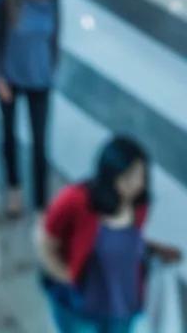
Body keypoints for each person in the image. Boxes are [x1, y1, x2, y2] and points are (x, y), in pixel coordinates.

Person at [37, 136, 182, 333]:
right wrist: (65, 276)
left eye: (141, 176)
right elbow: (46, 240)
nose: (136, 184)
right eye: (128, 177)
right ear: (110, 174)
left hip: (124, 305)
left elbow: (125, 240)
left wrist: (156, 249)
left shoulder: (139, 205)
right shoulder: (76, 200)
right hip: (81, 306)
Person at [0, 0, 61, 217]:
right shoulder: (4, 2)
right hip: (10, 78)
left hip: (40, 79)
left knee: (40, 142)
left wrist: (51, 69)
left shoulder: (52, 0)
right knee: (8, 136)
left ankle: (41, 201)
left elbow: (54, 40)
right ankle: (14, 188)